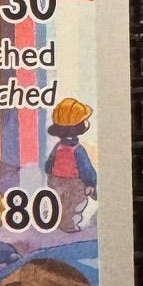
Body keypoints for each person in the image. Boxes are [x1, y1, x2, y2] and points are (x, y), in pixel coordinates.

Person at [43, 97, 98, 231]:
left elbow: (49, 165)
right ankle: (69, 225)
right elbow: (86, 169)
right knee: (75, 204)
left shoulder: (58, 147)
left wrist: (50, 175)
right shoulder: (78, 150)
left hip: (56, 181)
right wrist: (90, 183)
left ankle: (60, 222)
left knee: (61, 203)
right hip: (74, 183)